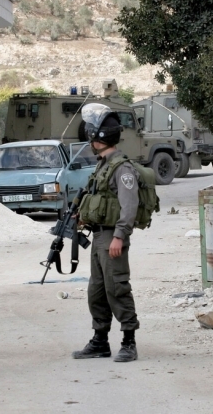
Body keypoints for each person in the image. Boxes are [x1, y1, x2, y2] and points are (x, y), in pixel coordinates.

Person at [72, 103, 141, 363]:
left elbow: (129, 205)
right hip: (99, 236)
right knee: (97, 292)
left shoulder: (122, 168)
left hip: (112, 237)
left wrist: (119, 236)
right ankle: (100, 341)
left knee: (117, 289)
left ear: (97, 137)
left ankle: (129, 342)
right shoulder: (102, 165)